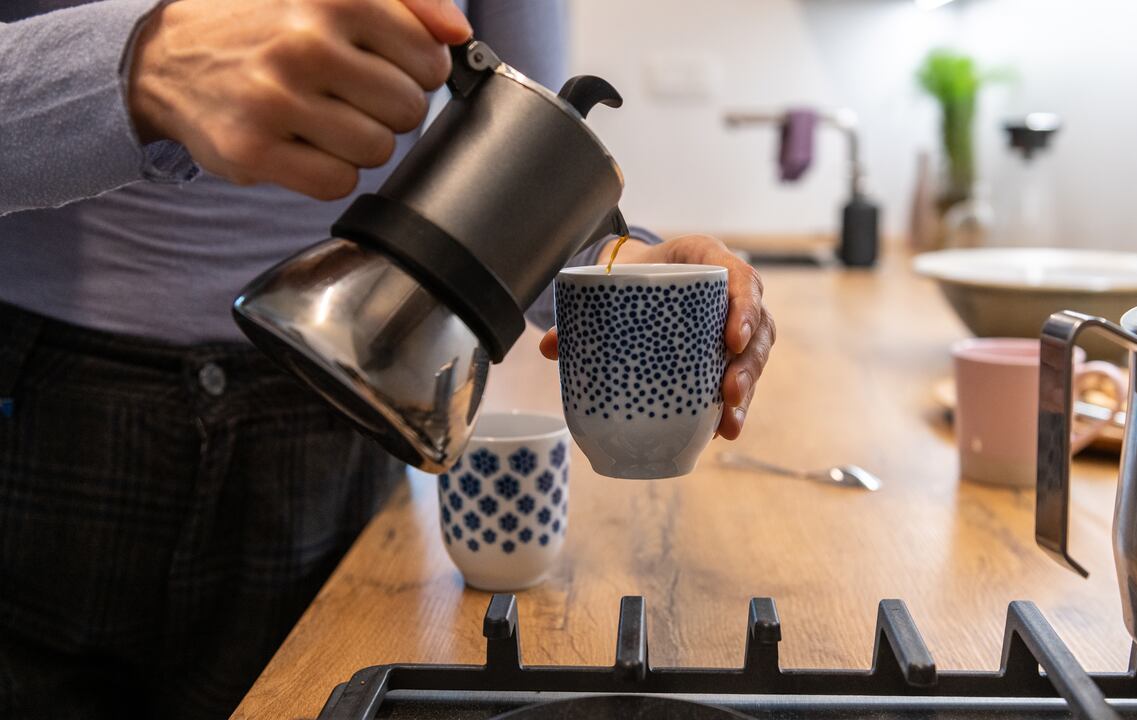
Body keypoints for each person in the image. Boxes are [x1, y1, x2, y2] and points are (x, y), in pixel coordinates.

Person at [0, 0, 777, 717]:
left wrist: (621, 270)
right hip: (48, 401)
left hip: (347, 398)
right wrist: (143, 64)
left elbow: (526, 168)